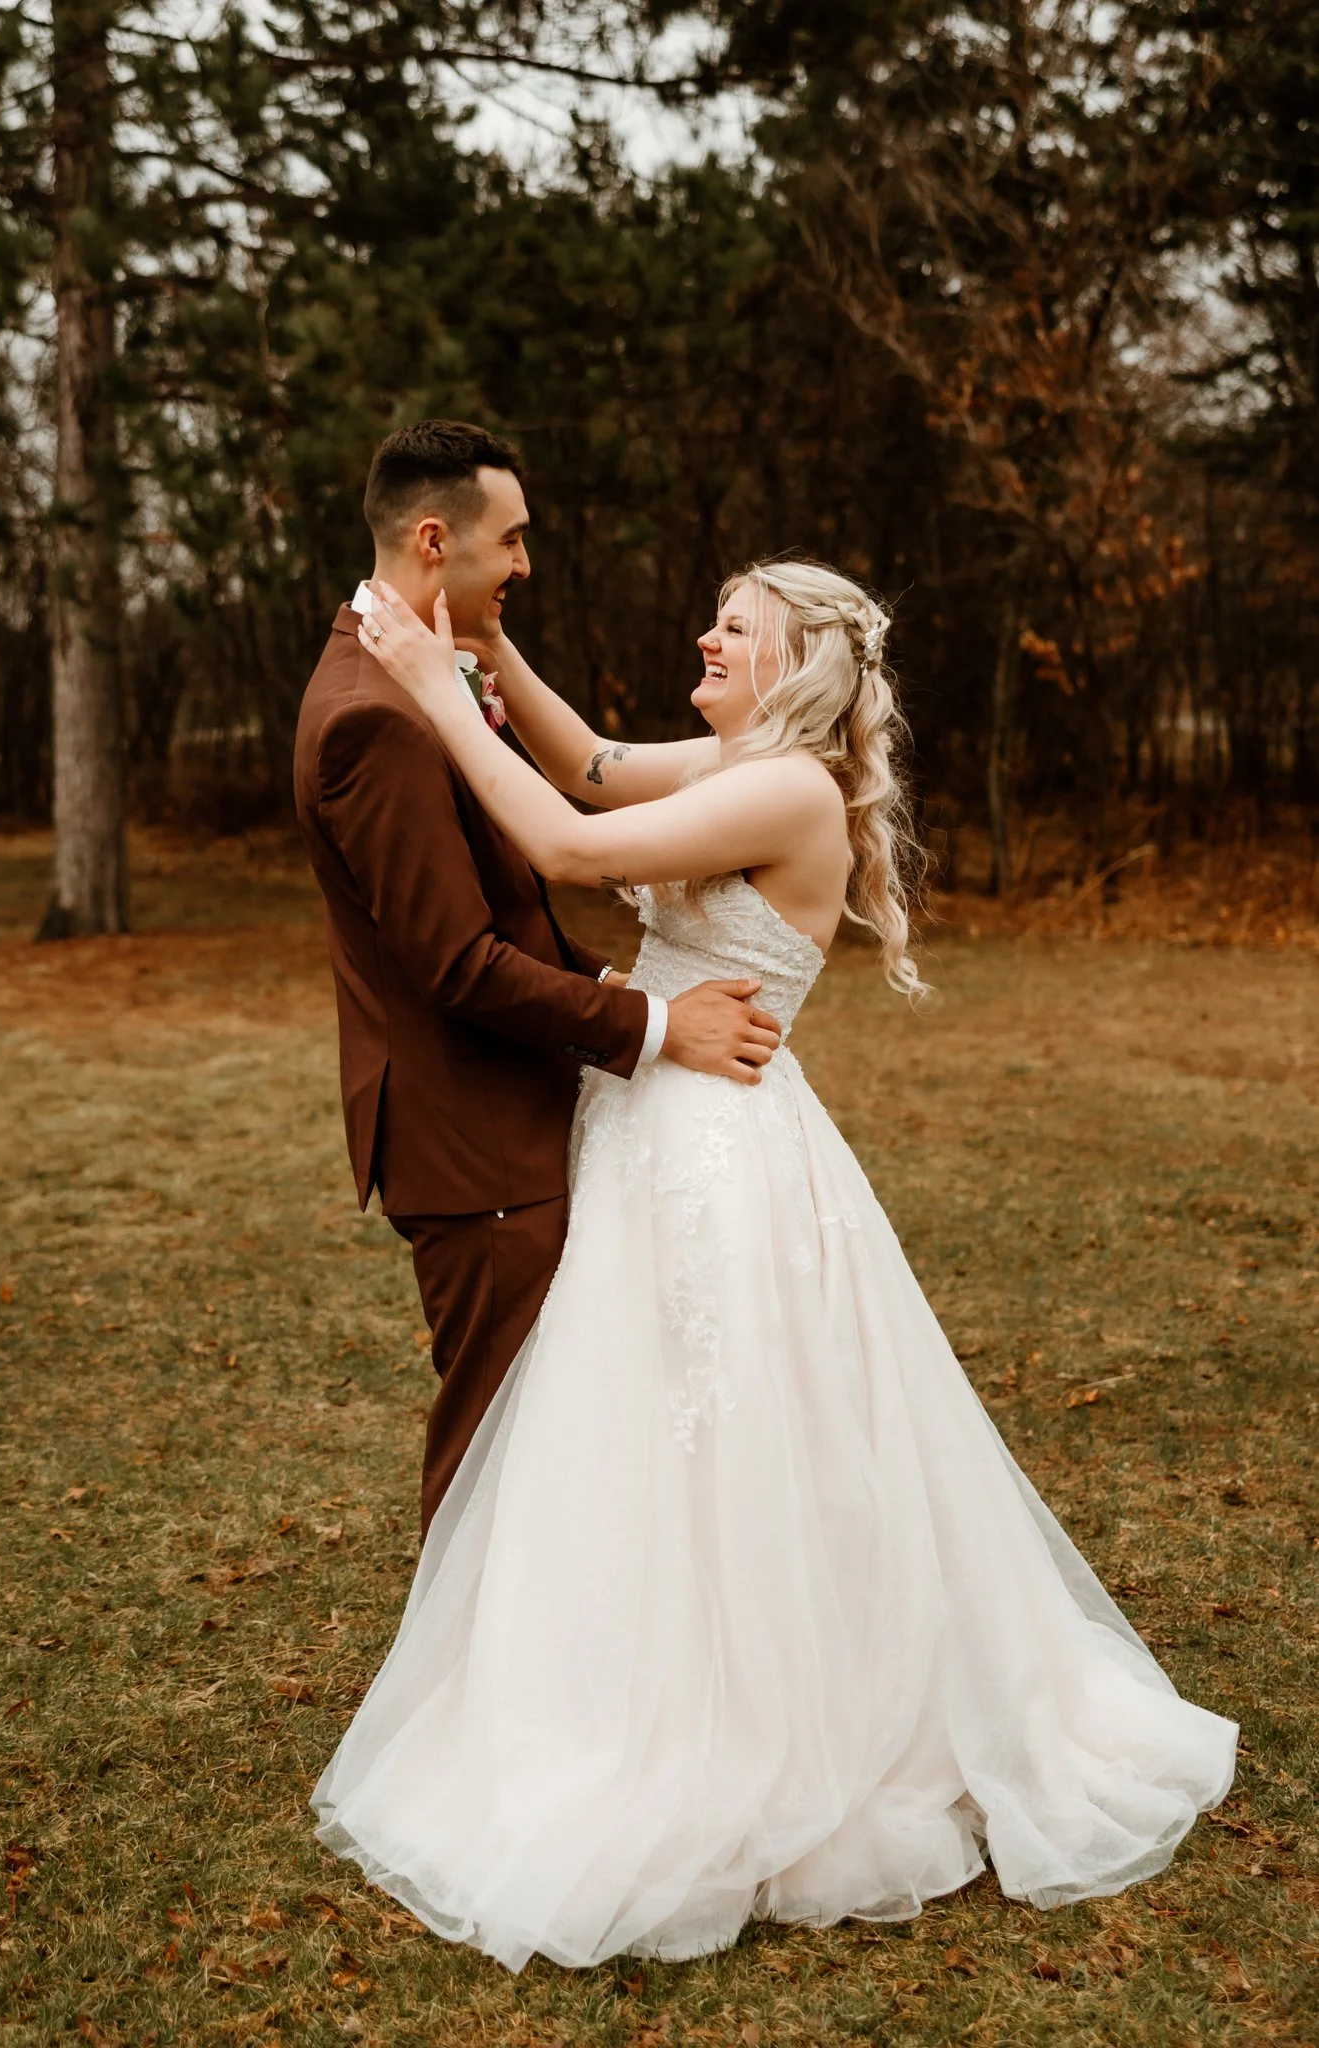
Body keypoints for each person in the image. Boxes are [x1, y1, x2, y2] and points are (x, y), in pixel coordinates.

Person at [311, 555, 1236, 1971]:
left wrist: (440, 687)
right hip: (650, 1117)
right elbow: (600, 764)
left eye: (730, 626)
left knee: (728, 1429)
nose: (704, 632)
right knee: (626, 1422)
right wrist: (498, 643)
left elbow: (566, 844)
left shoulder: (791, 790)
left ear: (793, 659)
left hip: (718, 1152)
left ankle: (759, 1721)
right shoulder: (742, 753)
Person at [292, 421, 782, 1534]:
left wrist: (605, 972)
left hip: (502, 1121)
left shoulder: (413, 682)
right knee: (493, 1443)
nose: (525, 564)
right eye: (509, 541)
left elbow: (506, 900)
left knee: (549, 1435)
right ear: (434, 539)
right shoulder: (376, 719)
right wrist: (655, 1021)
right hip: (471, 1143)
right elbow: (461, 963)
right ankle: (456, 1700)